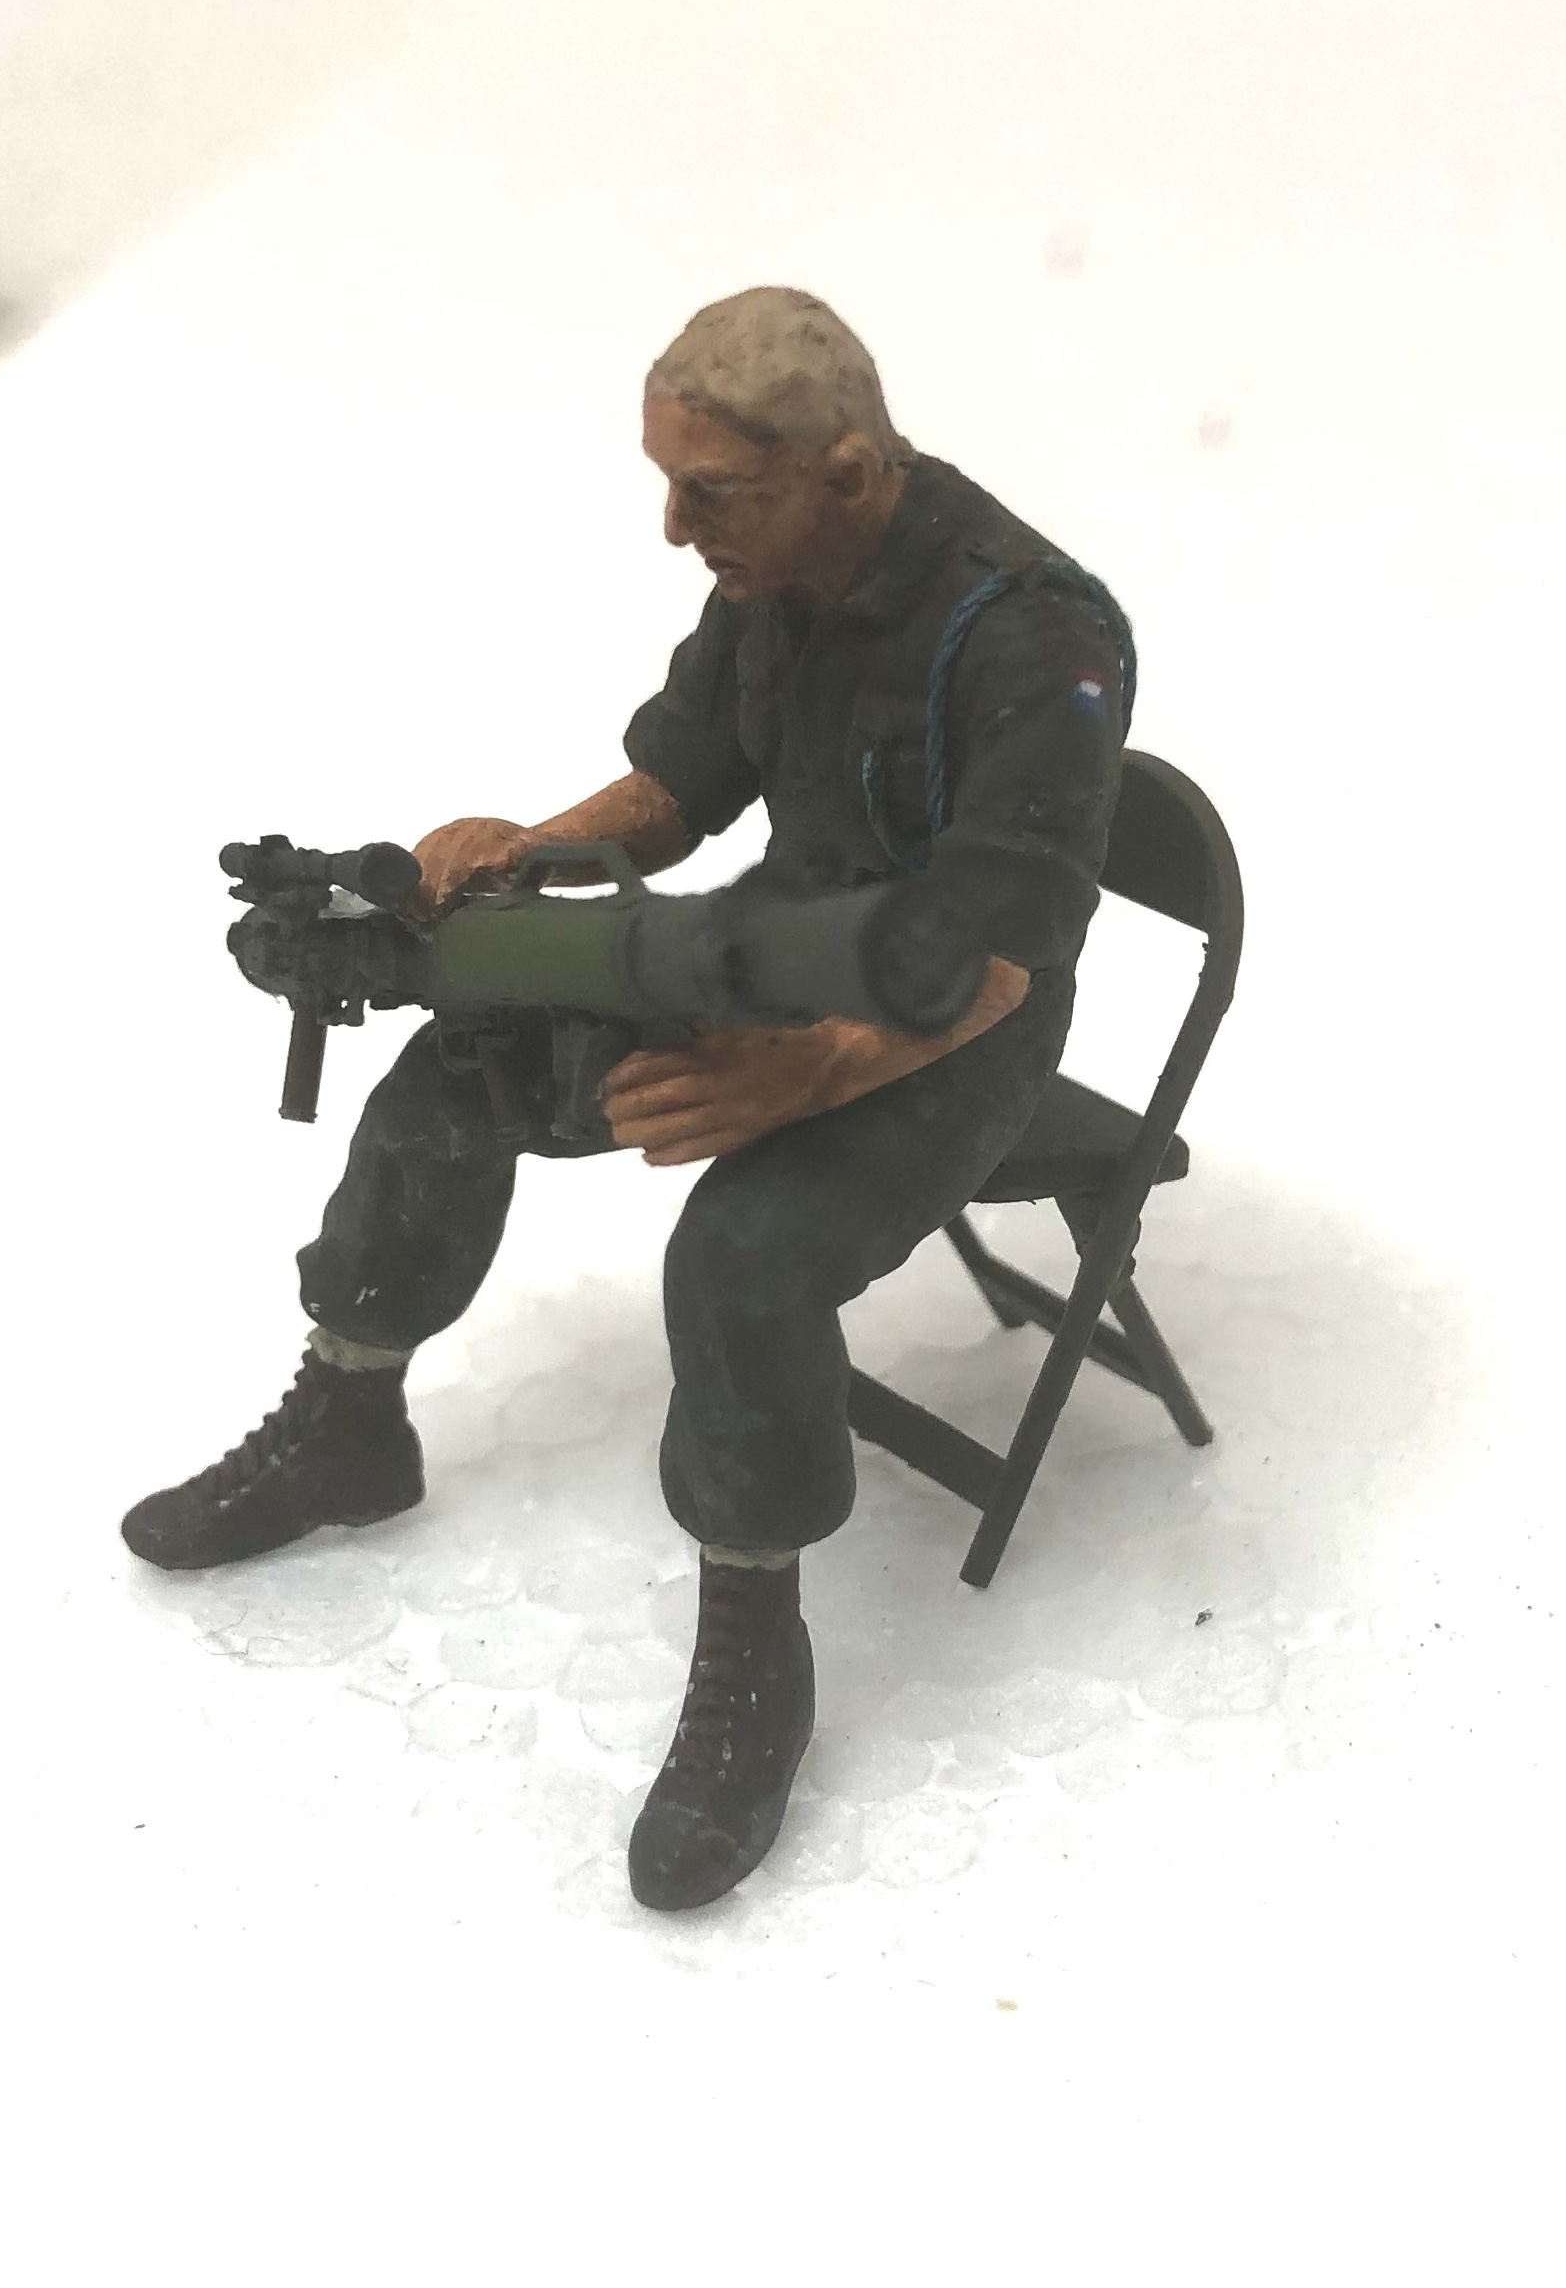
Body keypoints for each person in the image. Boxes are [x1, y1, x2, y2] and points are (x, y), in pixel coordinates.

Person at [124, 287, 1134, 1911]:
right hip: (769, 951)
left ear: (846, 474)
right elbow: (679, 788)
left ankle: (752, 1642)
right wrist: (519, 854)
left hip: (958, 1031)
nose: (675, 527)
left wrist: (810, 1069)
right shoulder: (768, 571)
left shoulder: (1033, 630)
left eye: (709, 491)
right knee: (460, 1063)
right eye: (669, 483)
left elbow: (1008, 951)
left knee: (743, 1253)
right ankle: (348, 1421)